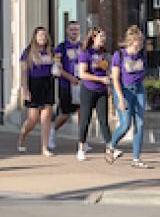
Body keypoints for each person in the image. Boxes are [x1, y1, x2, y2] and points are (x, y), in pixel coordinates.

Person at [107, 25, 150, 168]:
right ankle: (111, 146)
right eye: (136, 43)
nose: (138, 47)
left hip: (138, 90)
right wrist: (119, 98)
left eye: (141, 43)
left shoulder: (141, 56)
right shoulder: (119, 56)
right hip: (124, 90)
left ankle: (136, 158)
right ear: (130, 42)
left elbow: (142, 73)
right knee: (125, 124)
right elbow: (115, 78)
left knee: (140, 123)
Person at [17, 26, 55, 157]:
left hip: (47, 84)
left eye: (44, 35)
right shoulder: (28, 52)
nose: (42, 38)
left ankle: (44, 147)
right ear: (35, 37)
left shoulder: (51, 51)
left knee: (46, 117)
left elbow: (57, 66)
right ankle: (22, 136)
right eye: (40, 35)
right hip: (34, 84)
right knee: (32, 119)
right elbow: (23, 73)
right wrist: (25, 90)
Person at [76, 26, 112, 162]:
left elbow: (106, 69)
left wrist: (108, 81)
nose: (104, 39)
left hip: (102, 90)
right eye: (101, 37)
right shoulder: (85, 53)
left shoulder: (104, 53)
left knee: (104, 120)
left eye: (105, 37)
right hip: (88, 89)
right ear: (93, 38)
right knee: (85, 120)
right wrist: (100, 79)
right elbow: (82, 74)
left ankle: (110, 147)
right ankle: (81, 148)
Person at [49, 20, 81, 151]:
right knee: (65, 114)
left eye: (76, 29)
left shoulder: (82, 46)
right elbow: (57, 68)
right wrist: (70, 78)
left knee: (82, 112)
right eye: (72, 29)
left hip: (80, 84)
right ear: (67, 31)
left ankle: (82, 140)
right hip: (66, 84)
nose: (74, 32)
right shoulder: (61, 48)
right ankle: (52, 132)